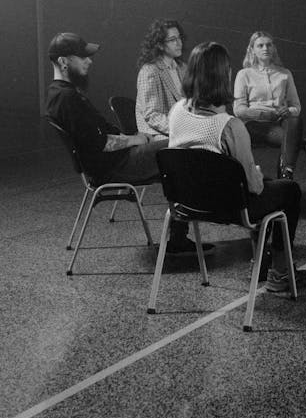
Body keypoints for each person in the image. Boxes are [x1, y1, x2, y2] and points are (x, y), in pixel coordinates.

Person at [45, 31, 207, 257]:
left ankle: (180, 234)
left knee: (174, 152)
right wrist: (137, 139)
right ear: (63, 61)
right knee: (181, 148)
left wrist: (138, 140)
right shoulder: (67, 98)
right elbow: (102, 144)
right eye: (82, 57)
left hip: (114, 162)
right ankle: (183, 234)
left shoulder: (61, 94)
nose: (89, 60)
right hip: (114, 167)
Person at [168, 41, 306, 293]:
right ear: (224, 77)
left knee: (259, 182)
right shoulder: (229, 126)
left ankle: (262, 260)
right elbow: (253, 187)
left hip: (187, 202)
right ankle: (280, 272)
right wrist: (257, 174)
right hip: (228, 207)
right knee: (288, 191)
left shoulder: (176, 111)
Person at [233, 31, 304, 180]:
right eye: (260, 45)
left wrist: (288, 111)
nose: (265, 48)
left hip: (280, 121)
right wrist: (263, 114)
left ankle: (286, 173)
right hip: (254, 124)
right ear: (252, 50)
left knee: (295, 121)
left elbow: (296, 107)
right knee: (291, 139)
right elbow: (238, 109)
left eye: (269, 45)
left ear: (274, 48)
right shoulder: (244, 74)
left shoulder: (285, 74)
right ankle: (285, 177)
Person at [135, 19, 187, 137]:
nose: (179, 43)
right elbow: (152, 115)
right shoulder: (149, 71)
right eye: (173, 40)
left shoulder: (183, 68)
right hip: (157, 135)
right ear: (160, 45)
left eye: (179, 38)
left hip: (179, 133)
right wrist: (181, 130)